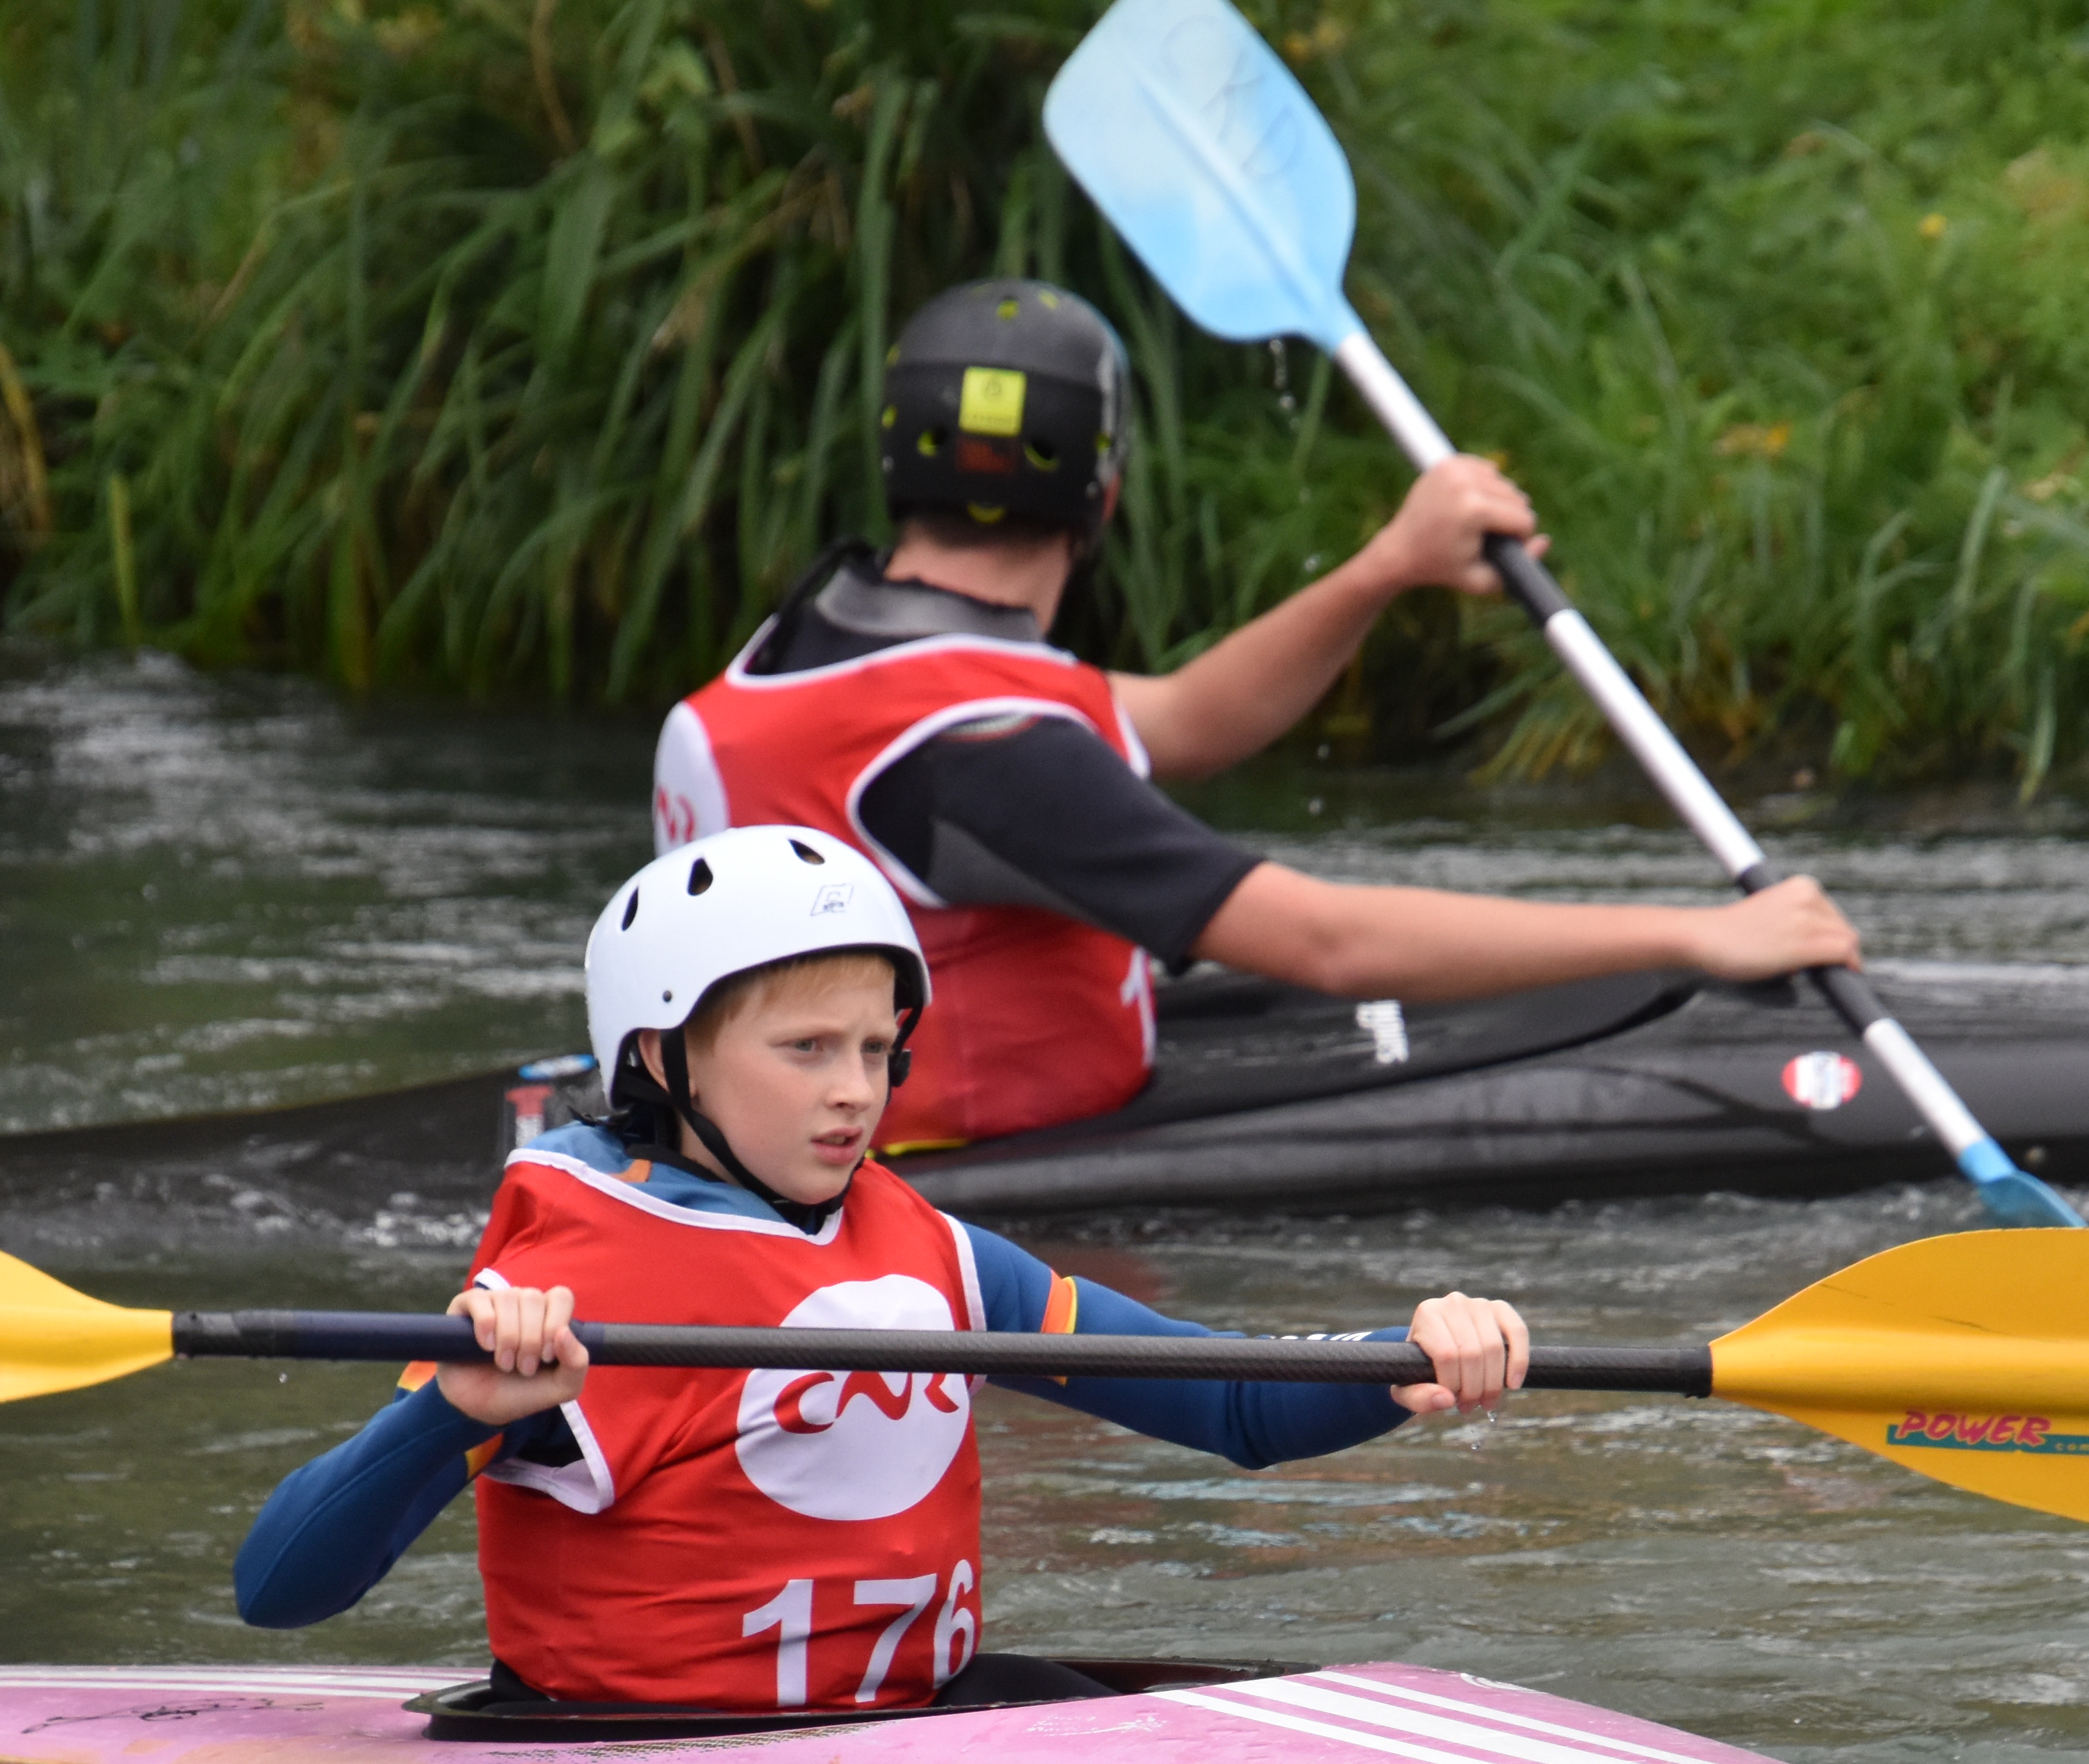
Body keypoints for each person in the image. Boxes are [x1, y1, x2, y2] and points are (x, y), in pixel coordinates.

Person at [234, 824, 1529, 1715]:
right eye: (806, 1049)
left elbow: (1229, 1402)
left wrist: (1403, 1363)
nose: (856, 1092)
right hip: (636, 1750)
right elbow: (281, 1587)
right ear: (664, 1062)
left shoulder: (940, 1253)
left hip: (914, 1726)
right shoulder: (565, 1289)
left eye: (875, 1048)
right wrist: (453, 1414)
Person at [649, 276, 1865, 1147]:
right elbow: (1328, 944)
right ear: (1104, 493)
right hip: (953, 1184)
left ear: (895, 464)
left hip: (760, 1132)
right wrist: (1694, 936)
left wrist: (1387, 568)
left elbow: (1177, 720)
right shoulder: (991, 753)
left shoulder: (807, 653)